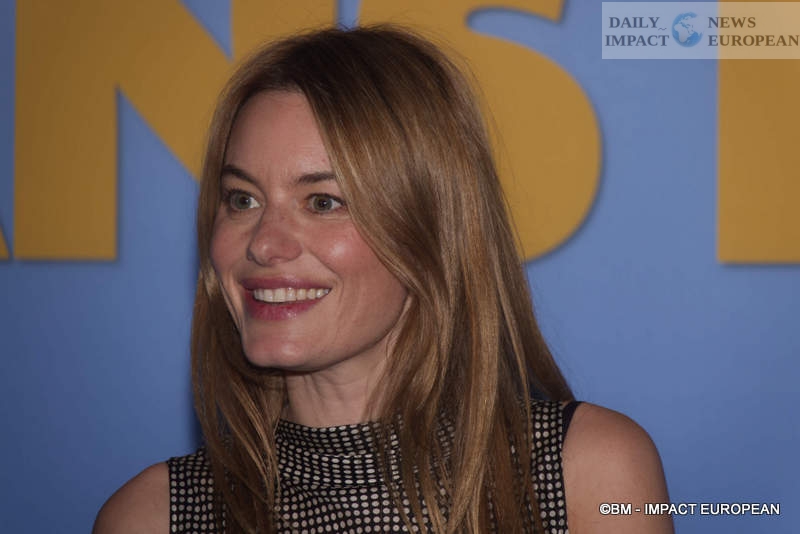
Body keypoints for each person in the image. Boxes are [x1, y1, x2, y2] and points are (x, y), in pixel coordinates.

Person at [94, 25, 672, 533]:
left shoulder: (588, 477)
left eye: (322, 202)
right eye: (242, 199)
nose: (264, 243)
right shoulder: (151, 518)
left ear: (431, 232)